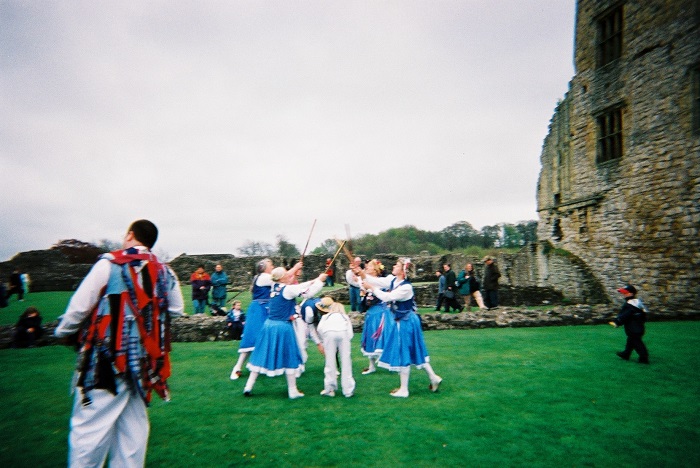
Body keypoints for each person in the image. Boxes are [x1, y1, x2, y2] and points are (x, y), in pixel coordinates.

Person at [54, 219, 185, 467]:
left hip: (105, 361)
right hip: (144, 363)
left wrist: (63, 333)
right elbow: (177, 309)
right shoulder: (165, 271)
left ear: (130, 235)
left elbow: (77, 310)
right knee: (132, 433)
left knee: (89, 430)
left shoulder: (109, 263)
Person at [357, 258, 443, 398]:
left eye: (397, 265)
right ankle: (433, 377)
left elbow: (387, 297)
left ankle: (404, 389)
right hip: (403, 320)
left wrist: (371, 288)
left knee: (403, 351)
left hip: (406, 322)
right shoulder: (392, 280)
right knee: (414, 351)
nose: (394, 266)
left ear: (403, 271)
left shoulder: (406, 287)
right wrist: (361, 273)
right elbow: (377, 281)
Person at [242, 265, 327, 399]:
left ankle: (248, 386)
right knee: (289, 356)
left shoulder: (274, 287)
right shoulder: (287, 290)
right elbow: (306, 293)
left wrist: (315, 280)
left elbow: (299, 287)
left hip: (269, 326)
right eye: (287, 275)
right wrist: (320, 282)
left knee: (261, 354)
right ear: (281, 278)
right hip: (282, 327)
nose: (289, 276)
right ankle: (292, 391)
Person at [230, 259, 296, 380]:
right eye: (271, 265)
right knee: (252, 338)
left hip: (264, 310)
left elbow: (285, 283)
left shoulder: (264, 277)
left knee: (267, 339)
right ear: (264, 268)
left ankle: (267, 366)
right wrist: (295, 268)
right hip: (259, 311)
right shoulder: (263, 277)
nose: (273, 267)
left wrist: (294, 274)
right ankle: (237, 367)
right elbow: (281, 277)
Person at [316, 297, 356, 398]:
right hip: (343, 334)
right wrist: (346, 341)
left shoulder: (326, 317)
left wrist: (324, 339)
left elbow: (320, 329)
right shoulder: (345, 317)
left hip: (329, 334)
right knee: (346, 361)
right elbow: (350, 333)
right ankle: (348, 390)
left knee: (330, 361)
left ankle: (330, 389)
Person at [359, 259, 390, 375]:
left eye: (370, 266)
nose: (367, 267)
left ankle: (390, 362)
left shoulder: (381, 282)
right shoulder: (365, 282)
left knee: (383, 338)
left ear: (376, 269)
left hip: (380, 313)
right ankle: (371, 366)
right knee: (370, 339)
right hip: (371, 314)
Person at [609, 284, 649, 364]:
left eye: (625, 293)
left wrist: (617, 322)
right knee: (631, 340)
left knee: (637, 343)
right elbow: (645, 312)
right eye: (623, 293)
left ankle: (644, 358)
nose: (624, 295)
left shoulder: (629, 305)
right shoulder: (638, 302)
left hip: (633, 327)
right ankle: (626, 354)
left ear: (631, 294)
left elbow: (624, 315)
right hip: (639, 326)